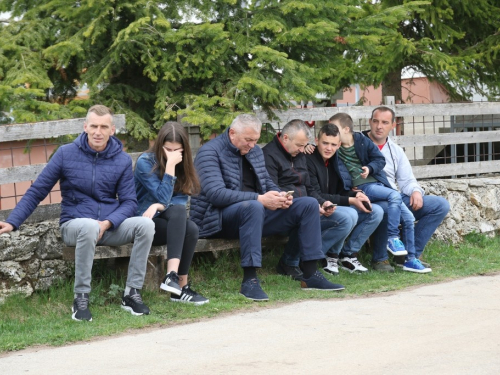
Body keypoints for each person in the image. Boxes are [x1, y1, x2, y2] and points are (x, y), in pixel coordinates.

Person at [0, 105, 155, 321]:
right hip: (75, 226)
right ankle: (81, 297)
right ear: (85, 127)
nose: (97, 132)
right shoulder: (65, 154)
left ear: (112, 130)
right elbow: (38, 190)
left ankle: (132, 294)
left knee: (146, 225)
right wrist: (13, 222)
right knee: (90, 226)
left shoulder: (122, 160)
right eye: (93, 126)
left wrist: (108, 223)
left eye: (103, 127)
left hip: (109, 227)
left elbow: (129, 202)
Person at [190, 114, 344, 302]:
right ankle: (250, 281)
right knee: (253, 206)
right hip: (216, 219)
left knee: (308, 204)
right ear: (232, 133)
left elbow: (266, 182)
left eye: (255, 140)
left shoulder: (254, 152)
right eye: (248, 140)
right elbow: (216, 194)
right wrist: (260, 199)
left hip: (255, 214)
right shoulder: (209, 152)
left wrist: (280, 196)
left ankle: (310, 275)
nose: (253, 145)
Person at [263, 119, 378, 277]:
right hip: (285, 210)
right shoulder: (271, 155)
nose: (303, 149)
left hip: (307, 205)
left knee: (365, 213)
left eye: (304, 146)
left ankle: (326, 257)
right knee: (341, 216)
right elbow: (273, 189)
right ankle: (296, 261)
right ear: (285, 138)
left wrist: (324, 203)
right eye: (300, 145)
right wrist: (313, 204)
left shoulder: (301, 154)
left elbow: (309, 188)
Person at [331, 113, 431, 273]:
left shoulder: (361, 141)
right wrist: (349, 189)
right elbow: (324, 156)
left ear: (346, 129)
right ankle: (392, 238)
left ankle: (410, 259)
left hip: (377, 183)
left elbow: (379, 159)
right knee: (394, 196)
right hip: (363, 188)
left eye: (334, 129)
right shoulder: (335, 147)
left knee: (409, 218)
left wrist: (370, 168)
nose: (331, 133)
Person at [363, 106, 450, 270]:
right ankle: (380, 258)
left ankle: (410, 255)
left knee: (439, 205)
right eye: (375, 121)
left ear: (392, 126)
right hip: (372, 197)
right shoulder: (359, 144)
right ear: (370, 122)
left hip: (395, 196)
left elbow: (407, 180)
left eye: (384, 122)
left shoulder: (396, 151)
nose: (379, 126)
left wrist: (416, 191)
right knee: (386, 207)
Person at [134, 121, 209, 305]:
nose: (173, 155)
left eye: (177, 151)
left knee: (191, 228)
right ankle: (172, 277)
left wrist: (158, 206)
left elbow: (178, 201)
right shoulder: (145, 162)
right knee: (177, 212)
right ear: (160, 146)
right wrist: (170, 168)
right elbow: (164, 198)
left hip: (168, 222)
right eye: (168, 149)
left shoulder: (184, 164)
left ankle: (179, 286)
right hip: (144, 224)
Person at [304, 123, 384, 274]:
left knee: (375, 211)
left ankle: (347, 255)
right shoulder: (309, 160)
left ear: (339, 144)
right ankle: (325, 255)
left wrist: (355, 195)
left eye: (333, 144)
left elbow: (341, 190)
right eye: (325, 143)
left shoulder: (337, 160)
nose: (329, 148)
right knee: (350, 214)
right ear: (316, 141)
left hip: (334, 205)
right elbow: (315, 193)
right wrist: (350, 201)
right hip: (318, 209)